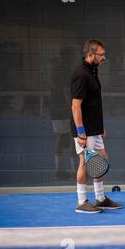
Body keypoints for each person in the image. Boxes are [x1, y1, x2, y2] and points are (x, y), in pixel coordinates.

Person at [70, 39, 122, 213]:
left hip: (94, 128)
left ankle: (100, 198)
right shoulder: (81, 74)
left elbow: (93, 103)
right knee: (84, 163)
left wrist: (100, 127)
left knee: (101, 159)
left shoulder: (92, 71)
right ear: (91, 54)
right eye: (101, 54)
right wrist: (81, 132)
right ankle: (82, 201)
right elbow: (75, 106)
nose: (104, 58)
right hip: (84, 130)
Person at [49, 46, 78, 180]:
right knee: (73, 137)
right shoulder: (63, 70)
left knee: (61, 137)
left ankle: (59, 170)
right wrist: (73, 107)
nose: (72, 59)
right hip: (63, 108)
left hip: (55, 108)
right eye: (71, 55)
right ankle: (75, 171)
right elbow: (66, 91)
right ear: (67, 56)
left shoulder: (55, 69)